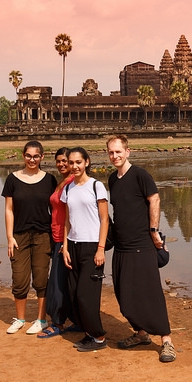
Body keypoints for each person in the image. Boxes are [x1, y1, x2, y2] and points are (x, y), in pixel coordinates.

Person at [106, 134, 176, 363]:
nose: (115, 156)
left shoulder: (140, 175)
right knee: (123, 293)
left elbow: (154, 200)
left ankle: (166, 341)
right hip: (122, 245)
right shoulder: (113, 180)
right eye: (111, 152)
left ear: (128, 152)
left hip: (142, 243)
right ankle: (141, 333)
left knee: (150, 292)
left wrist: (154, 231)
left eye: (118, 151)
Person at [2, 140, 57, 334]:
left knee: (41, 279)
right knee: (19, 278)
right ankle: (20, 318)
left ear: (42, 157)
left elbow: (56, 209)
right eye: (28, 156)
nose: (31, 159)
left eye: (36, 156)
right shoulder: (13, 179)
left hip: (43, 235)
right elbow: (9, 210)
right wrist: (9, 237)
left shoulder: (50, 180)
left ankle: (41, 319)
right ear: (23, 156)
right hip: (19, 235)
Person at [62, 147, 110, 352]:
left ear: (87, 162)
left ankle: (99, 337)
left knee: (86, 295)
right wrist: (64, 247)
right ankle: (89, 333)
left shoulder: (96, 186)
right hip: (73, 244)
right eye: (71, 163)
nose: (74, 166)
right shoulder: (68, 188)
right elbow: (67, 220)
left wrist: (101, 249)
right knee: (74, 293)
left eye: (78, 162)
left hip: (92, 245)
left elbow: (104, 219)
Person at [37, 147, 76, 338]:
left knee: (58, 282)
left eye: (65, 161)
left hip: (65, 239)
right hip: (56, 237)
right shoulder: (62, 182)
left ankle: (58, 323)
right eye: (58, 161)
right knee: (65, 281)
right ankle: (76, 320)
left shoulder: (73, 183)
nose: (62, 164)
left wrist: (66, 243)